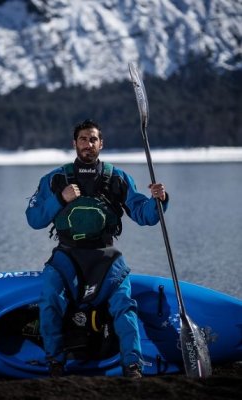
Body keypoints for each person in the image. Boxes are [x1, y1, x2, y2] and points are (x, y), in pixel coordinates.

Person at [26, 119, 168, 379]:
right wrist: (60, 198)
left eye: (93, 139)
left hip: (106, 258)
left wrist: (158, 200)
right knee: (49, 300)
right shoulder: (55, 179)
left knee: (125, 305)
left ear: (101, 144)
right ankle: (55, 364)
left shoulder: (117, 178)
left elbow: (143, 214)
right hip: (67, 256)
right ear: (74, 143)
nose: (88, 144)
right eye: (83, 139)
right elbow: (34, 219)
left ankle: (132, 366)